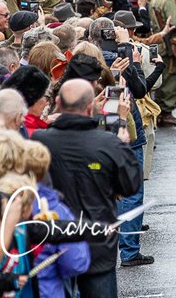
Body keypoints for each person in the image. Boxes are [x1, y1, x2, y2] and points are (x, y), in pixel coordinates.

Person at [33, 79, 143, 298]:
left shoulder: (40, 140)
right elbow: (131, 185)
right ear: (90, 106)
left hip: (54, 240)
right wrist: (123, 143)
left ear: (57, 103)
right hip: (97, 241)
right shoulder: (108, 143)